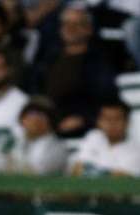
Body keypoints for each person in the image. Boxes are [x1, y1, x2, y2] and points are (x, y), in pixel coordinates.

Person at [31, 3, 117, 138]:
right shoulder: (48, 58)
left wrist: (84, 119)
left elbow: (106, 100)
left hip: (83, 131)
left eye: (77, 24)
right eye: (66, 24)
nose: (70, 29)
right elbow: (36, 92)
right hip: (46, 126)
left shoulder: (97, 62)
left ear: (88, 29)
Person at [72, 100, 140, 177]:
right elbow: (77, 169)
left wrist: (89, 171)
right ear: (98, 121)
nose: (111, 123)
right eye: (107, 119)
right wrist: (109, 173)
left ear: (127, 122)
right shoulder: (93, 136)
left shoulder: (137, 150)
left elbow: (125, 178)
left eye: (117, 119)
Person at [9, 97, 68, 175]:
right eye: (31, 114)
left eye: (41, 115)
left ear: (51, 122)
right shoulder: (14, 141)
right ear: (22, 120)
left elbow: (37, 174)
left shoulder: (57, 148)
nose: (35, 119)